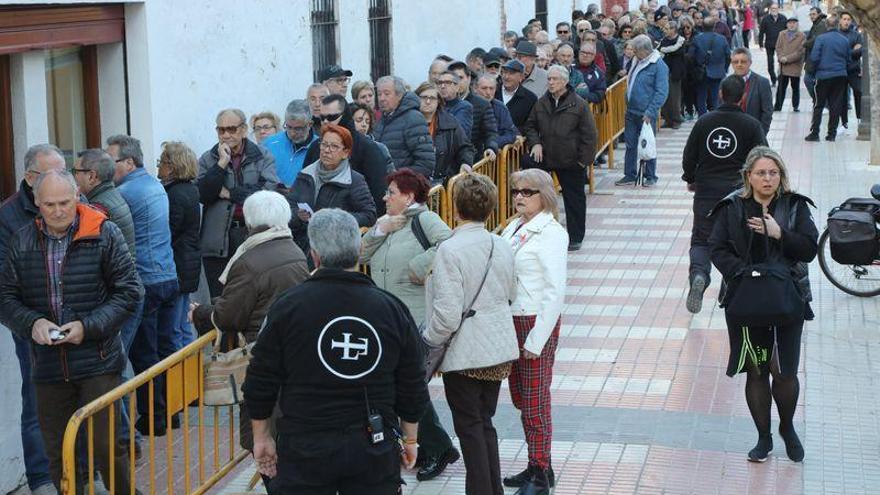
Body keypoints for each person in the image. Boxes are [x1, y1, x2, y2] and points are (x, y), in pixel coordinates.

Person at [243, 207, 428, 492]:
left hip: (305, 445)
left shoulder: (288, 307)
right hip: (372, 446)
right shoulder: (390, 308)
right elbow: (412, 380)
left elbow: (260, 379)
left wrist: (262, 436)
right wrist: (411, 438)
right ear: (358, 249)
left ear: (314, 254)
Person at [0, 170, 142, 493]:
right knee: (60, 453)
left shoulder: (104, 233)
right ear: (36, 203)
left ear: (77, 196)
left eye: (65, 202)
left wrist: (87, 327)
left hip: (98, 360)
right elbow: (6, 298)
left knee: (108, 449)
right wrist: (32, 323)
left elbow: (129, 292)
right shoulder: (22, 240)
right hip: (48, 365)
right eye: (49, 204)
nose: (58, 210)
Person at [709, 146, 817, 464]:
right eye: (761, 173)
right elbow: (716, 247)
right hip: (747, 302)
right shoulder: (733, 207)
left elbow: (809, 249)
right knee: (756, 371)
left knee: (784, 372)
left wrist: (779, 233)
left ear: (781, 176)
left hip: (787, 302)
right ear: (749, 177)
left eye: (773, 173)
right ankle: (763, 437)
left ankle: (786, 426)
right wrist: (740, 274)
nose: (767, 178)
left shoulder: (795, 206)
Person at [191, 191, 308, 465]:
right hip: (292, 352)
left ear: (251, 221)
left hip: (260, 357)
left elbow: (229, 316)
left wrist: (201, 313)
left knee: (262, 436)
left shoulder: (249, 260)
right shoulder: (293, 249)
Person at [359, 169, 459, 481]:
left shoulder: (423, 220)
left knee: (406, 386)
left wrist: (419, 266)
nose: (384, 197)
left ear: (409, 196)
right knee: (400, 385)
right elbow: (359, 252)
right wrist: (379, 230)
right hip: (386, 318)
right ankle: (427, 446)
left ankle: (437, 447)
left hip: (412, 317)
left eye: (391, 192)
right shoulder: (388, 222)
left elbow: (448, 243)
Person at [423, 173, 518, 495]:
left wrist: (429, 341)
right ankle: (493, 489)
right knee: (484, 422)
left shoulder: (450, 250)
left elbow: (447, 314)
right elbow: (511, 292)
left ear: (456, 207)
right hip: (498, 345)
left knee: (469, 426)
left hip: (465, 350)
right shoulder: (501, 243)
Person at [0, 144, 64, 495]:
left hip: (77, 323)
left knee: (82, 395)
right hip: (32, 327)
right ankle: (42, 481)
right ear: (29, 178)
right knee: (37, 400)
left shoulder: (73, 204)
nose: (59, 183)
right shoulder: (8, 217)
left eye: (63, 174)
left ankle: (82, 469)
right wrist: (32, 321)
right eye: (50, 175)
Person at [499, 169, 568, 495]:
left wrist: (537, 340)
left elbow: (555, 292)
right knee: (520, 397)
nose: (519, 197)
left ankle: (540, 473)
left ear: (544, 196)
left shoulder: (552, 233)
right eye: (516, 191)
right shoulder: (513, 226)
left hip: (534, 321)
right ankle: (539, 463)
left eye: (527, 192)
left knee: (535, 402)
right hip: (510, 319)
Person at [108, 134, 179, 436]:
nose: (108, 168)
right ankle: (168, 413)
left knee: (144, 355)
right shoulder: (154, 185)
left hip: (147, 280)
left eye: (112, 162)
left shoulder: (126, 192)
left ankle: (154, 419)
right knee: (164, 349)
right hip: (166, 275)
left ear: (128, 161)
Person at [682, 76, 768, 314]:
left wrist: (690, 178)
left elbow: (689, 154)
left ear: (720, 93)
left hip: (706, 192)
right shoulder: (751, 125)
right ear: (743, 97)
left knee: (701, 239)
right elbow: (763, 156)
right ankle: (731, 282)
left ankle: (699, 273)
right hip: (737, 194)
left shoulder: (704, 122)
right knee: (735, 241)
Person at [197, 109, 279, 298]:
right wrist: (221, 164)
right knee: (221, 298)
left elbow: (268, 190)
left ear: (243, 130)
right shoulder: (209, 158)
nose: (226, 135)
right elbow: (202, 194)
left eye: (232, 129)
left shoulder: (262, 156)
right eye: (221, 130)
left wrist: (229, 193)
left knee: (254, 295)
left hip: (253, 233)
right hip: (218, 239)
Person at [523, 65, 598, 251]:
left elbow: (590, 135)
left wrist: (583, 161)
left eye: (555, 79)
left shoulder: (578, 104)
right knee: (539, 197)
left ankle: (575, 237)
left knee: (575, 201)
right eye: (549, 79)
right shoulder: (542, 102)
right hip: (547, 157)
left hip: (571, 160)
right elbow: (530, 126)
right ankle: (539, 233)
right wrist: (535, 143)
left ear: (564, 81)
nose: (550, 82)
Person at [287, 124, 377, 259]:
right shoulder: (305, 175)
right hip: (302, 244)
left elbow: (369, 215)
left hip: (335, 247)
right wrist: (298, 216)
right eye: (324, 145)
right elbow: (289, 207)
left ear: (345, 153)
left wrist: (337, 219)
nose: (326, 150)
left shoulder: (354, 180)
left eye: (334, 147)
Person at [305, 94, 392, 216]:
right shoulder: (315, 147)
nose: (325, 122)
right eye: (322, 117)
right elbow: (304, 185)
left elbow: (378, 194)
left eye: (331, 117)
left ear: (344, 116)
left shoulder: (368, 149)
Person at [156, 142, 201, 349]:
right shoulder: (189, 189)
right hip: (188, 261)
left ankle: (182, 378)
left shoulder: (174, 194)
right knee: (182, 324)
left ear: (172, 166)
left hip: (178, 263)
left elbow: (170, 231)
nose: (158, 167)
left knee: (174, 327)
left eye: (161, 162)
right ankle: (191, 374)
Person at [616, 35, 669, 188]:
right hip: (631, 111)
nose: (633, 53)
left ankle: (651, 175)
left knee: (648, 144)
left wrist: (651, 111)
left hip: (646, 113)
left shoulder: (659, 65)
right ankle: (629, 174)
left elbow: (662, 92)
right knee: (630, 144)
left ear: (645, 50)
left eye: (636, 50)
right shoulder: (636, 60)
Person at [71, 149, 136, 260]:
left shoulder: (98, 207)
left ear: (92, 176)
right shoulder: (112, 194)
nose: (73, 177)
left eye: (75, 172)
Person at [374, 75, 436, 178]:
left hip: (404, 187)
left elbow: (426, 163)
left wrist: (397, 177)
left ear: (399, 95)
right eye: (379, 94)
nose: (381, 98)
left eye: (387, 94)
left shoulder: (413, 118)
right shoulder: (381, 120)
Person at [415, 82, 474, 183]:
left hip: (442, 182)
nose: (428, 101)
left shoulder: (450, 122)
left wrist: (466, 162)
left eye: (432, 98)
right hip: (416, 181)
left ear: (438, 101)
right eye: (424, 97)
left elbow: (465, 147)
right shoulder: (408, 121)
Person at [805, 15, 850, 142]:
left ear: (826, 26)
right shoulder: (844, 40)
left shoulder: (821, 39)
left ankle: (815, 133)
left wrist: (812, 73)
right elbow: (848, 58)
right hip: (840, 76)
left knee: (819, 104)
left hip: (823, 76)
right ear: (837, 25)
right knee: (836, 105)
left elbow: (814, 58)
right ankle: (831, 134)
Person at [262, 100, 320, 189]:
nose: (292, 133)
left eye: (298, 129)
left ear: (310, 124)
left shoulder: (319, 148)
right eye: (288, 127)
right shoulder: (269, 143)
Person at [449, 61, 500, 158]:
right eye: (452, 79)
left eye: (460, 78)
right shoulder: (442, 103)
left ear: (468, 79)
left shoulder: (482, 104)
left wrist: (491, 148)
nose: (457, 82)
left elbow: (491, 132)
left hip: (473, 159)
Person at [689, 18, 731, 115]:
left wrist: (696, 67)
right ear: (714, 26)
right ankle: (717, 117)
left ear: (702, 26)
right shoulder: (722, 39)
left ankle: (702, 118)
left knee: (701, 96)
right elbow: (728, 56)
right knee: (716, 96)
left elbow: (690, 56)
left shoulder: (697, 39)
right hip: (718, 71)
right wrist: (724, 68)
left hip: (701, 72)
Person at [730, 48, 773, 135]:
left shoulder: (762, 83)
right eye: (736, 62)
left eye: (743, 61)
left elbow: (767, 112)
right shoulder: (725, 83)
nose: (739, 65)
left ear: (750, 62)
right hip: (731, 134)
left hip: (753, 133)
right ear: (731, 63)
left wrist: (761, 134)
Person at [474, 74, 519, 148]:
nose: (488, 92)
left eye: (491, 88)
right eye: (484, 88)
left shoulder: (501, 108)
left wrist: (491, 143)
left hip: (493, 154)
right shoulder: (467, 105)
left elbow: (510, 133)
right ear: (475, 88)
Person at [495, 60, 538, 132]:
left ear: (521, 77)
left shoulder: (530, 98)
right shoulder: (492, 92)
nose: (506, 77)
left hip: (516, 140)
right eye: (504, 72)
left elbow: (530, 125)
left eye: (511, 73)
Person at [774, 17, 805, 112]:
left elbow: (800, 52)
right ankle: (778, 106)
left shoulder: (801, 36)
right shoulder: (781, 34)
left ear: (797, 24)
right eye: (790, 23)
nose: (791, 25)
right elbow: (778, 47)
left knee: (795, 87)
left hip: (795, 66)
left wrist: (787, 59)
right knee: (781, 88)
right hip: (783, 66)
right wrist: (780, 57)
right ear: (787, 24)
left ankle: (795, 105)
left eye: (794, 23)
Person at [838, 11, 863, 129]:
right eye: (844, 19)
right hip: (841, 70)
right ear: (840, 20)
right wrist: (852, 50)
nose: (846, 21)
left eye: (848, 19)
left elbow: (861, 50)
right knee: (842, 96)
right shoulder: (837, 34)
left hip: (854, 70)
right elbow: (837, 51)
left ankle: (860, 118)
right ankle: (844, 122)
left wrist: (846, 51)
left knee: (858, 92)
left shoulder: (856, 35)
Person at [659, 21, 686, 129]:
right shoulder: (664, 40)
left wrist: (666, 51)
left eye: (667, 28)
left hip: (675, 72)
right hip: (665, 72)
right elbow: (659, 51)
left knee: (674, 97)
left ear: (673, 29)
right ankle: (667, 119)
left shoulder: (680, 41)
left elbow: (677, 52)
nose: (664, 30)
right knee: (665, 97)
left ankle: (676, 119)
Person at [438, 70, 474, 136]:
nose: (442, 86)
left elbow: (459, 132)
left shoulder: (464, 106)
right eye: (440, 83)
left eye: (448, 82)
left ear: (457, 87)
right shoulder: (436, 105)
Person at [803, 7, 827, 103]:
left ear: (819, 14)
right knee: (811, 81)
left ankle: (818, 100)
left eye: (814, 14)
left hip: (817, 59)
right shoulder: (817, 24)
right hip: (813, 59)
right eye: (811, 14)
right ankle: (818, 100)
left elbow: (817, 39)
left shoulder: (821, 24)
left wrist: (805, 43)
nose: (812, 16)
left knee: (808, 80)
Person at [758, 4, 787, 86]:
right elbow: (761, 32)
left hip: (781, 44)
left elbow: (787, 31)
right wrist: (760, 44)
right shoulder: (765, 19)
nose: (774, 10)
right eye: (772, 8)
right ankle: (773, 79)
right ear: (770, 9)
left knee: (782, 62)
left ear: (778, 9)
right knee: (770, 63)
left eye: (776, 8)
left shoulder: (783, 18)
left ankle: (780, 78)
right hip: (769, 44)